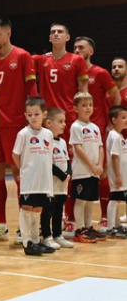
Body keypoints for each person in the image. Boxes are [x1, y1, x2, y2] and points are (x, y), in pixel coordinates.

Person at [0, 19, 37, 244]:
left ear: (8, 33)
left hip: (16, 125)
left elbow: (32, 89)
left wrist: (33, 120)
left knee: (20, 174)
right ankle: (1, 226)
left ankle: (24, 227)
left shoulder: (22, 56)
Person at [32, 23, 88, 236]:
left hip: (68, 121)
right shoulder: (41, 60)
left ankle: (70, 218)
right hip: (46, 123)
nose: (56, 34)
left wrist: (81, 118)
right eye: (53, 32)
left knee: (70, 171)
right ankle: (47, 218)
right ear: (49, 37)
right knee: (47, 168)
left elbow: (84, 92)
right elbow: (15, 57)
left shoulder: (76, 60)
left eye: (60, 32)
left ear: (67, 37)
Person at [74, 36, 119, 232]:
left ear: (90, 51)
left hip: (97, 127)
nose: (76, 50)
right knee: (78, 175)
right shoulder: (72, 71)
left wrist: (110, 123)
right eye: (74, 47)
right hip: (76, 127)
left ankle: (103, 218)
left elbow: (116, 96)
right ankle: (74, 222)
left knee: (101, 175)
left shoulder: (100, 73)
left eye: (81, 47)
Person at [12, 97, 55, 256]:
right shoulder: (23, 134)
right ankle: (27, 242)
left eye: (36, 114)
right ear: (25, 115)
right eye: (29, 115)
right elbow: (15, 154)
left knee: (38, 209)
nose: (33, 118)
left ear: (44, 114)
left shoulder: (48, 134)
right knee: (27, 208)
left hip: (44, 180)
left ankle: (36, 240)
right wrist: (23, 170)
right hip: (29, 179)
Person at [70, 92, 104, 243]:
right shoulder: (76, 127)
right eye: (84, 105)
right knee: (81, 200)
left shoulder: (95, 127)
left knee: (90, 200)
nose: (88, 108)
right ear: (75, 108)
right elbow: (78, 148)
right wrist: (91, 165)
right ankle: (79, 229)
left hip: (94, 172)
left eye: (90, 105)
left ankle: (89, 227)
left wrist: (100, 165)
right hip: (82, 171)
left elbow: (100, 147)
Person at [41, 108, 74, 249]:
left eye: (64, 121)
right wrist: (62, 175)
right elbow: (48, 163)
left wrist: (69, 172)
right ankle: (46, 236)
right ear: (49, 122)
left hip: (62, 185)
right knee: (48, 210)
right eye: (60, 121)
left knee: (59, 210)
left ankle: (57, 235)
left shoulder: (63, 142)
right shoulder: (46, 141)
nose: (64, 124)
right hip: (51, 184)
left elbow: (67, 160)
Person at [105, 105, 127, 238]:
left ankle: (117, 224)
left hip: (122, 175)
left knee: (118, 200)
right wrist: (118, 175)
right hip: (117, 175)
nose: (126, 120)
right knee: (114, 200)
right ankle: (110, 227)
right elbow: (115, 157)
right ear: (114, 120)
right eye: (123, 118)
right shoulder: (114, 136)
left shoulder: (120, 136)